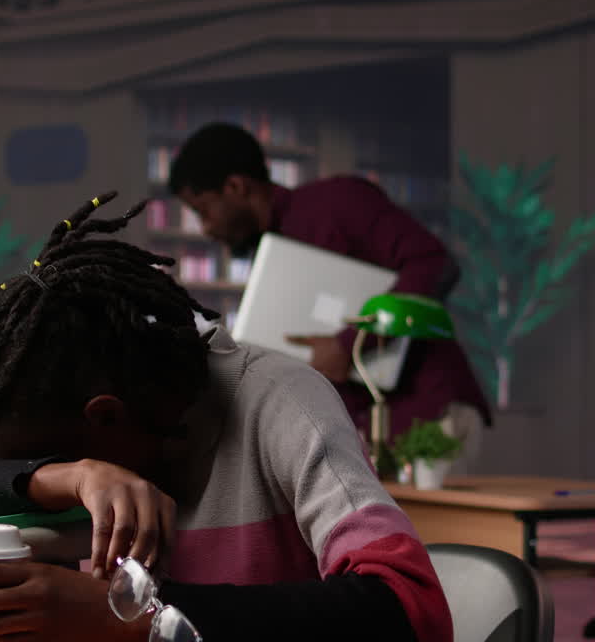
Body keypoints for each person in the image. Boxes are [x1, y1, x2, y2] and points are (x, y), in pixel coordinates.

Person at [0, 192, 451, 642]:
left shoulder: (283, 403)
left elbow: (410, 607)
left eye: (56, 457)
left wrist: (137, 616)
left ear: (105, 418)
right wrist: (67, 475)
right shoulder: (61, 410)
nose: (48, 470)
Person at [168, 122, 490, 470]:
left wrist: (348, 345)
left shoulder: (339, 201)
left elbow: (434, 263)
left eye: (203, 210)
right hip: (369, 436)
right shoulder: (268, 262)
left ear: (236, 187)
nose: (206, 228)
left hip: (429, 413)